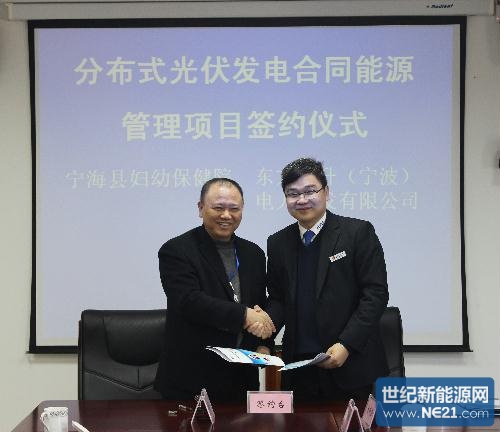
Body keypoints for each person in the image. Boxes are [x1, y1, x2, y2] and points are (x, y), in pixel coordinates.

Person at [265, 157, 389, 402]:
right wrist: (264, 327)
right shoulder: (278, 242)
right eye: (293, 193)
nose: (302, 199)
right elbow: (278, 298)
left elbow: (375, 294)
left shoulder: (357, 233)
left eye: (310, 191)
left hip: (350, 364)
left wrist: (346, 344)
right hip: (299, 368)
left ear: (326, 192)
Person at [154, 178, 275, 402]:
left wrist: (263, 344)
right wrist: (244, 315)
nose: (226, 215)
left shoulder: (254, 254)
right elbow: (189, 301)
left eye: (234, 209)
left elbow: (259, 305)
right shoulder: (177, 250)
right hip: (191, 379)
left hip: (241, 380)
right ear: (201, 208)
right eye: (218, 208)